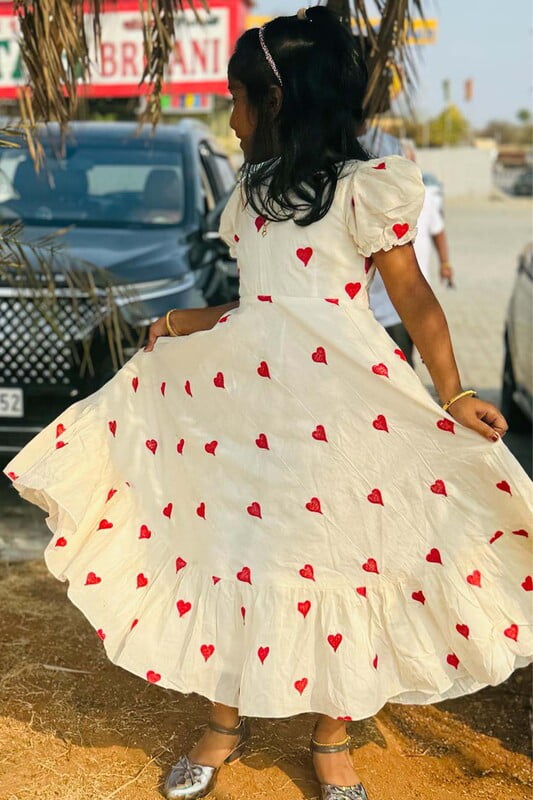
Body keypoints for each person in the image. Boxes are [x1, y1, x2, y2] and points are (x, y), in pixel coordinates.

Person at [4, 8, 532, 800]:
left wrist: (451, 390)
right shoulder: (250, 191)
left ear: (276, 101)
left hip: (345, 410)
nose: (230, 115)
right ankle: (224, 722)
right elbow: (262, 306)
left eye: (237, 98)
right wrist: (181, 322)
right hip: (245, 410)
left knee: (345, 549)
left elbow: (414, 298)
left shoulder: (363, 188)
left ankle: (331, 737)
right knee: (237, 546)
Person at [368, 140, 454, 367]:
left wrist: (445, 263)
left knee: (405, 369)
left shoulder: (426, 198)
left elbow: (438, 231)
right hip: (375, 307)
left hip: (411, 303)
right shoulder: (369, 199)